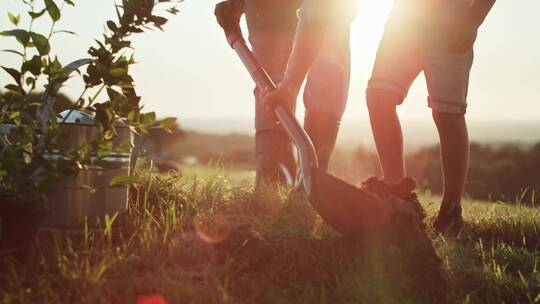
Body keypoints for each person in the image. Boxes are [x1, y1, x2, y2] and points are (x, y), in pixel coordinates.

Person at [365, 0, 496, 236]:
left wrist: (474, 17)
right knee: (378, 96)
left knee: (447, 114)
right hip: (403, 19)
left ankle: (450, 211)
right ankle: (397, 194)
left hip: (450, 20)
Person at [215, 0, 357, 186]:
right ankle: (271, 180)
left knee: (328, 68)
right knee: (270, 84)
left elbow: (319, 14)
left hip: (330, 8)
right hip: (267, 12)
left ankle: (311, 183)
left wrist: (291, 84)